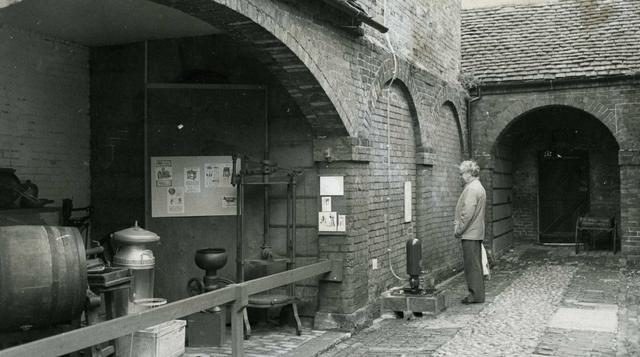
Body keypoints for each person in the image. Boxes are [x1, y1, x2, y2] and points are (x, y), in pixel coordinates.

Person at [454, 160, 487, 304]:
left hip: (470, 233)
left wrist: (459, 229)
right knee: (475, 264)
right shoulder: (478, 187)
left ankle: (475, 295)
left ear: (469, 173)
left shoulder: (472, 189)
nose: (461, 176)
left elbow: (467, 213)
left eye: (462, 173)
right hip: (475, 232)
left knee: (472, 266)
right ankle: (477, 294)